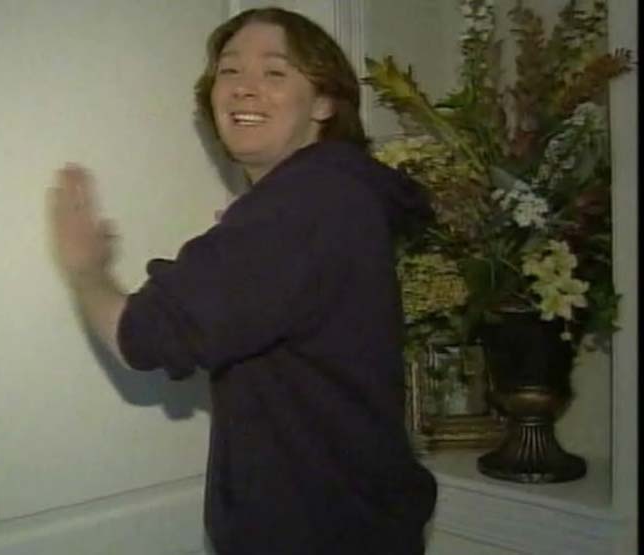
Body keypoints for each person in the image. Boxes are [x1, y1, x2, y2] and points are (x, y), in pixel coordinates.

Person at [50, 7, 437, 555]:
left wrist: (87, 271)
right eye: (229, 71)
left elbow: (145, 335)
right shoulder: (335, 199)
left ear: (324, 103)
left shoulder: (306, 204)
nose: (243, 88)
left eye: (275, 72)